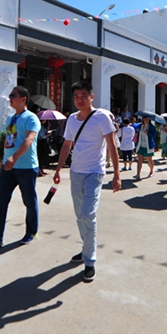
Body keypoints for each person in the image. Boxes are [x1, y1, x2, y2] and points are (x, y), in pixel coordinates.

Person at [53, 81, 121, 282]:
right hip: (76, 172)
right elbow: (66, 145)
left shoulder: (101, 117)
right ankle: (85, 249)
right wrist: (58, 169)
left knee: (87, 214)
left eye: (83, 95)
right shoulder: (72, 120)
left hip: (95, 172)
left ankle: (89, 260)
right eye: (76, 96)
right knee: (79, 215)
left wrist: (117, 174)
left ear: (92, 97)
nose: (79, 99)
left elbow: (111, 146)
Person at [0, 86, 41, 246]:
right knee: (0, 200)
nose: (10, 98)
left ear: (23, 99)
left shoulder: (31, 118)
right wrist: (6, 156)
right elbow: (10, 139)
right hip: (8, 166)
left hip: (26, 167)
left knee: (29, 201)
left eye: (13, 95)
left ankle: (31, 232)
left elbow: (29, 139)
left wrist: (15, 157)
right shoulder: (11, 118)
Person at [133, 115, 156, 180]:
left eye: (147, 119)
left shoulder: (151, 127)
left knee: (149, 160)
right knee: (139, 160)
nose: (145, 120)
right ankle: (138, 175)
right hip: (140, 145)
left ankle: (151, 171)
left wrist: (148, 133)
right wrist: (137, 131)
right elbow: (136, 132)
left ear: (149, 119)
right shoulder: (140, 126)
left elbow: (154, 135)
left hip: (148, 146)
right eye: (144, 118)